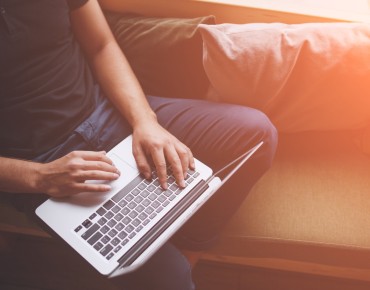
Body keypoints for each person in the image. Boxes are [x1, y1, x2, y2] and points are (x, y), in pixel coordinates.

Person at [0, 0, 277, 289]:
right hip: (42, 162)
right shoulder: (41, 173)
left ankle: (187, 248)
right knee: (171, 278)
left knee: (257, 134)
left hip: (106, 110)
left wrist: (145, 120)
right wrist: (40, 177)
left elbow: (101, 45)